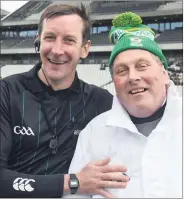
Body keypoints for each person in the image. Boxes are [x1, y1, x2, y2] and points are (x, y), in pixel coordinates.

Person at [0, 4, 129, 198]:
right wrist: (73, 182)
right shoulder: (7, 92)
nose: (57, 50)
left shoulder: (102, 102)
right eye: (50, 37)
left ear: (85, 49)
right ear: (38, 42)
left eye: (69, 40)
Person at [65, 12, 182, 198]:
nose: (133, 77)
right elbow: (74, 195)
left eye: (142, 66)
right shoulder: (94, 132)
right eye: (122, 70)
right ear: (113, 81)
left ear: (164, 73)